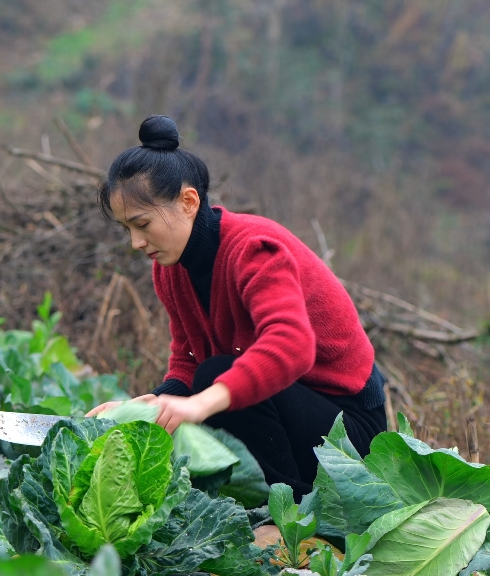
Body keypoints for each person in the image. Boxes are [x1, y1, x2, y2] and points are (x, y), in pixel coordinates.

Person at [87, 115, 387, 498]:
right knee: (206, 377)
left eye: (142, 224)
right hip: (292, 418)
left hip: (351, 434)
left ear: (189, 201)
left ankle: (291, 514)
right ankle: (265, 502)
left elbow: (292, 345)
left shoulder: (253, 250)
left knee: (216, 377)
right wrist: (153, 403)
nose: (135, 242)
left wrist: (200, 404)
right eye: (126, 229)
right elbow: (187, 359)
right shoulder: (170, 272)